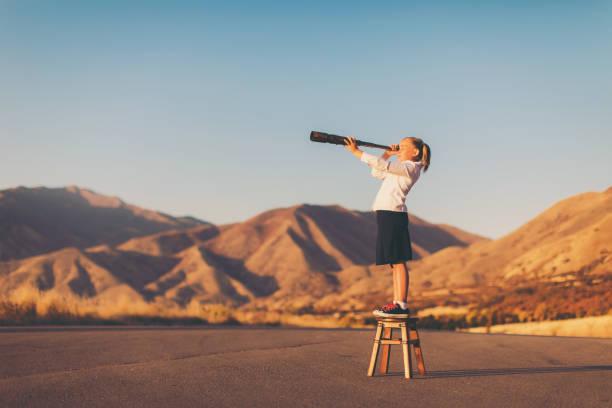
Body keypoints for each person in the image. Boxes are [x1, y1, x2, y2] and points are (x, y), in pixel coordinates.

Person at [344, 136, 431, 318]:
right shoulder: (400, 169)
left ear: (415, 152)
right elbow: (377, 172)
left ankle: (401, 304)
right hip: (387, 214)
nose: (399, 148)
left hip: (393, 214)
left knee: (398, 260)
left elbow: (382, 166)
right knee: (394, 261)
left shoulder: (410, 168)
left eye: (403, 146)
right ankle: (397, 302)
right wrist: (386, 153)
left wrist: (356, 152)